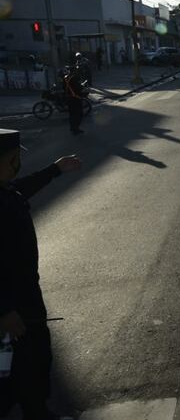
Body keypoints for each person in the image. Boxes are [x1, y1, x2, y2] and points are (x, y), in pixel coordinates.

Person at [0, 129, 81, 420]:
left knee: (32, 363)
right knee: (19, 368)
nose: (17, 162)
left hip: (25, 298)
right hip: (13, 307)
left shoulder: (6, 190)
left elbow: (23, 187)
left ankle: (37, 411)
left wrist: (55, 170)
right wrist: (5, 310)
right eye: (14, 157)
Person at [63, 67, 85, 136]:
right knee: (79, 114)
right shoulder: (74, 78)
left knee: (72, 114)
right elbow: (78, 88)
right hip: (75, 98)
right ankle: (76, 128)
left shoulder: (66, 78)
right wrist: (82, 86)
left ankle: (73, 128)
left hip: (68, 98)